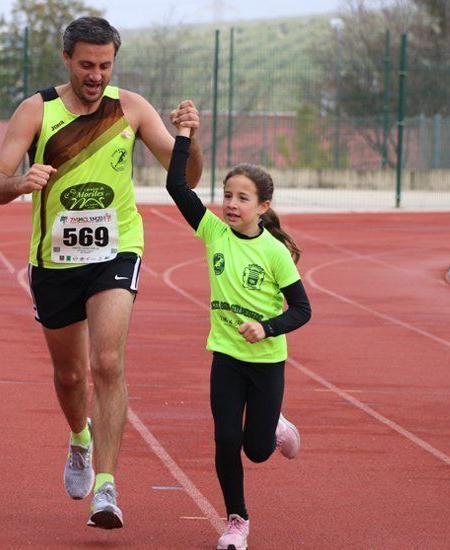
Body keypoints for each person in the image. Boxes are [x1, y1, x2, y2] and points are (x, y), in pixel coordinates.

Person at [0, 17, 204, 530]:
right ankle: (80, 438)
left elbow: (185, 180)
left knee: (107, 360)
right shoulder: (37, 110)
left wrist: (188, 137)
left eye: (105, 65)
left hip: (116, 249)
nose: (96, 75)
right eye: (87, 65)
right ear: (67, 58)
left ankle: (107, 486)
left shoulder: (130, 108)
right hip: (54, 261)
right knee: (71, 374)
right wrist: (21, 183)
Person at [165, 116, 311, 550]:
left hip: (266, 363)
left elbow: (302, 310)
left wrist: (266, 327)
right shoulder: (213, 231)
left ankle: (276, 427)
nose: (231, 204)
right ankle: (237, 520)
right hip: (226, 357)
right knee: (226, 440)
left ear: (263, 206)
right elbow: (177, 187)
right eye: (227, 195)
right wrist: (185, 137)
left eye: (242, 198)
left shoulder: (275, 253)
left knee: (257, 450)